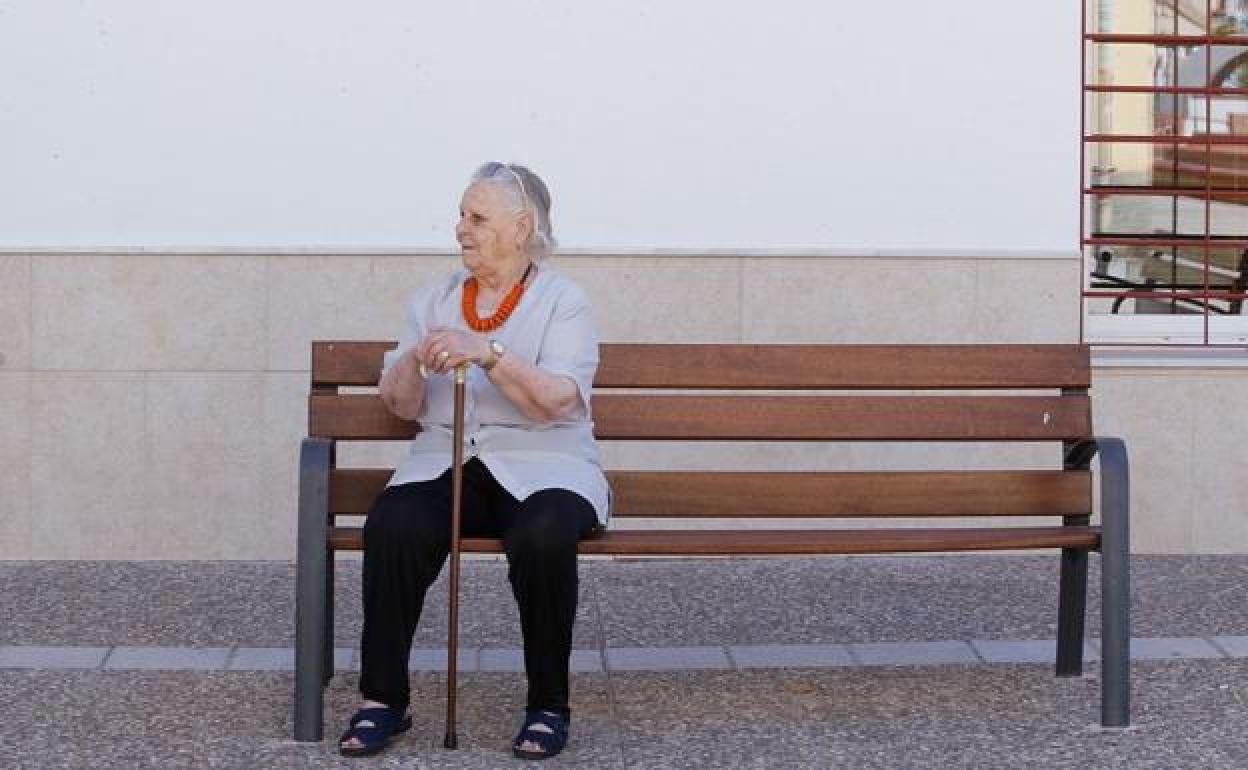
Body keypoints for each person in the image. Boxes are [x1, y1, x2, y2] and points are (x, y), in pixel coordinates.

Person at [338, 162, 608, 760]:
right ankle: (383, 700)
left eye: (477, 217)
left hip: (545, 466)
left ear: (522, 226)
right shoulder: (434, 298)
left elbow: (557, 401)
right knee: (394, 524)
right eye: (462, 214)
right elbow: (402, 405)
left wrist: (487, 353)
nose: (460, 228)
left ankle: (547, 705)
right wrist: (413, 359)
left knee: (543, 534)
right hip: (446, 460)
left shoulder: (564, 301)